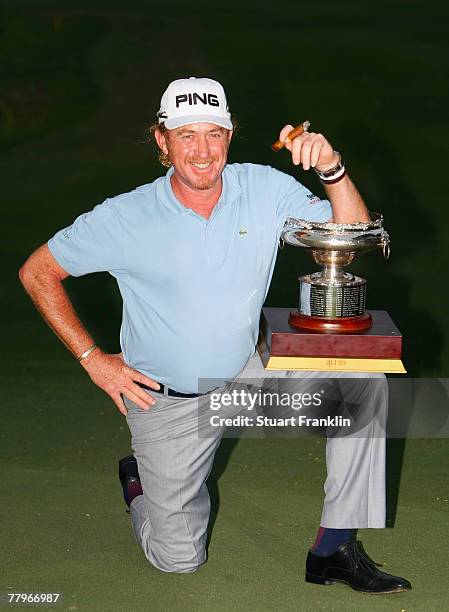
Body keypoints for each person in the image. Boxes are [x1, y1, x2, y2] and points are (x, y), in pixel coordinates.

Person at [19, 77, 411, 593]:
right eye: (186, 136)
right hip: (168, 403)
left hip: (247, 379)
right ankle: (138, 482)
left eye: (214, 134)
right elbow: (38, 272)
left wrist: (332, 170)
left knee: (364, 388)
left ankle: (333, 548)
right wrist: (94, 358)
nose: (202, 151)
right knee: (176, 559)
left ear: (230, 134)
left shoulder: (264, 189)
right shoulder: (124, 216)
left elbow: (354, 233)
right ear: (162, 141)